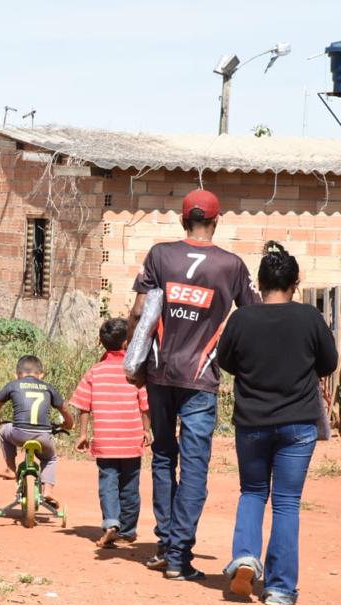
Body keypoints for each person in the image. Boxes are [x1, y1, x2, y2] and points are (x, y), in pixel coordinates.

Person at [128, 188, 260, 581]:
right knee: (195, 467)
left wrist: (134, 364)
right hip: (201, 378)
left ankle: (166, 542)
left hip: (158, 372)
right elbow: (250, 317)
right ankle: (178, 557)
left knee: (164, 457)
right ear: (216, 221)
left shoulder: (159, 255)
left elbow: (138, 312)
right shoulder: (231, 265)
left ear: (182, 219)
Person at [217, 242, 338, 605]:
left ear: (259, 282)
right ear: (295, 282)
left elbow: (226, 361)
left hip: (252, 421)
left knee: (252, 492)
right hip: (298, 424)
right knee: (287, 503)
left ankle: (244, 557)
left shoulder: (242, 318)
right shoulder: (309, 319)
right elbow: (329, 363)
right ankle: (281, 589)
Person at [71, 318, 152, 548]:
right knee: (130, 486)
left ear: (101, 342)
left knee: (108, 483)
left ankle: (111, 524)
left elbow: (83, 405)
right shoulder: (134, 371)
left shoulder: (95, 372)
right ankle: (128, 530)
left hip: (106, 441)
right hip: (131, 439)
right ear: (128, 343)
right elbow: (145, 404)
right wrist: (146, 430)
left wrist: (83, 434)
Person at [0, 355, 75, 508]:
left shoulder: (14, 385)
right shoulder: (48, 387)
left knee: (3, 432)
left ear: (16, 374)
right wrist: (69, 423)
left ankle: (11, 468)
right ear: (41, 375)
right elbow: (64, 408)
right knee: (50, 458)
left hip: (19, 432)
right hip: (43, 435)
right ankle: (48, 490)